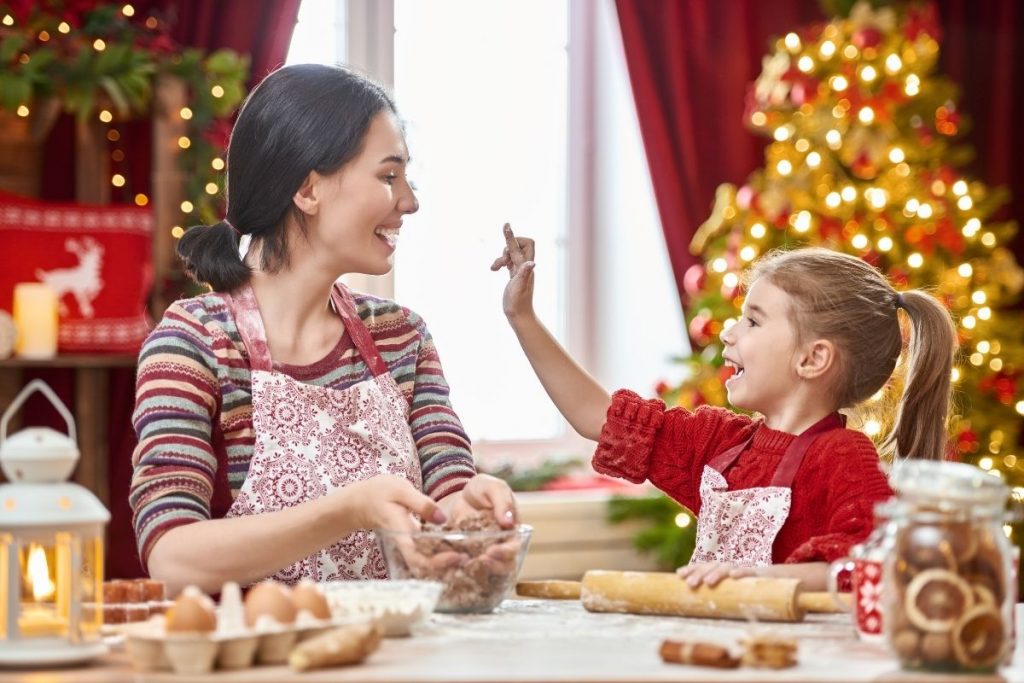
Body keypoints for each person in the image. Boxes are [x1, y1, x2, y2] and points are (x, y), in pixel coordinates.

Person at [129, 64, 516, 597]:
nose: (410, 201)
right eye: (388, 176)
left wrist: (469, 511)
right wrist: (348, 510)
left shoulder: (401, 337)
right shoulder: (196, 343)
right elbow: (172, 557)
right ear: (308, 190)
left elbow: (446, 491)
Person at [492, 225, 956, 591]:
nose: (729, 333)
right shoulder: (719, 443)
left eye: (753, 320)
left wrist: (761, 581)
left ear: (813, 358)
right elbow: (597, 416)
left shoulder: (842, 458)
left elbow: (873, 561)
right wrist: (523, 317)